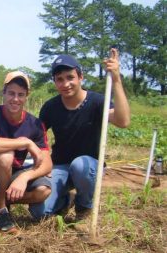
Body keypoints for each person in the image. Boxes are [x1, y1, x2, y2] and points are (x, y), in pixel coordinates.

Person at [30, 48, 130, 221]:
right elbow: (38, 139)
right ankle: (67, 200)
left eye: (70, 77)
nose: (65, 83)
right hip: (60, 166)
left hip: (88, 166)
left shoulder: (97, 102)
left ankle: (84, 207)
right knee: (39, 213)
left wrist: (116, 79)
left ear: (80, 77)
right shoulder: (50, 107)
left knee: (80, 165)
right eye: (59, 79)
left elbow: (123, 121)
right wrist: (42, 165)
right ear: (55, 82)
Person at [0, 71, 52, 233]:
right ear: (4, 93)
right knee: (6, 156)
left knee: (44, 190)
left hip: (16, 171)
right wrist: (25, 142)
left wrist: (24, 177)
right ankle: (0, 211)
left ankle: (0, 198)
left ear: (27, 96)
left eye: (21, 94)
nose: (15, 99)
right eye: (11, 93)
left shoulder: (35, 124)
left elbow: (47, 164)